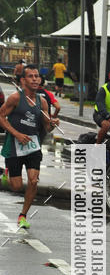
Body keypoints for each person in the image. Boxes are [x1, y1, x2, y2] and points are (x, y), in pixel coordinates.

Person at [0, 65, 59, 228]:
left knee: (33, 181)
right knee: (16, 186)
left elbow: (47, 127)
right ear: (23, 80)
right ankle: (7, 172)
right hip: (14, 146)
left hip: (33, 147)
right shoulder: (15, 98)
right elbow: (1, 116)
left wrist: (53, 123)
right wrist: (16, 134)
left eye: (37, 76)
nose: (35, 79)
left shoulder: (43, 101)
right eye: (31, 76)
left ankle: (23, 215)